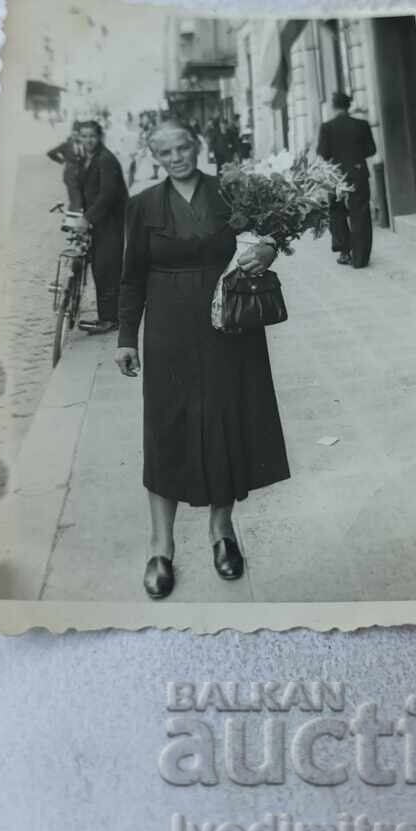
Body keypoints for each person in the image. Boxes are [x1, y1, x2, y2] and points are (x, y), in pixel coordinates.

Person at [115, 121, 289, 599]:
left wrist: (267, 251)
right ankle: (160, 546)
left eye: (184, 147)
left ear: (198, 146)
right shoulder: (143, 206)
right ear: (156, 156)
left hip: (228, 324)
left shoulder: (232, 192)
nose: (177, 157)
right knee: (167, 426)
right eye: (166, 151)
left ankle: (222, 532)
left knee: (226, 421)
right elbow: (131, 279)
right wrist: (127, 337)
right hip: (169, 331)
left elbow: (267, 235)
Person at [75, 121, 128, 334]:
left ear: (100, 137)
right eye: (84, 136)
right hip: (100, 222)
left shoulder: (106, 160)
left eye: (92, 136)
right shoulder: (89, 159)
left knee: (107, 268)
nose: (88, 140)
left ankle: (111, 319)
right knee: (100, 267)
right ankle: (106, 316)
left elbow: (108, 194)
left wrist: (88, 218)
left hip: (111, 222)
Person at [317, 91, 377, 268]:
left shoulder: (327, 127)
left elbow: (323, 153)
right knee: (360, 214)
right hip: (358, 173)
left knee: (337, 212)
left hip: (335, 176)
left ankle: (344, 252)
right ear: (348, 106)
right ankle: (360, 259)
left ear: (333, 107)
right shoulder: (362, 125)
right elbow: (371, 150)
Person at [46, 121, 84, 210]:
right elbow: (50, 153)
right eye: (75, 133)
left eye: (78, 134)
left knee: (81, 201)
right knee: (76, 200)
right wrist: (62, 161)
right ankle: (71, 221)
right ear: (72, 133)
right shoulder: (66, 145)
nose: (76, 135)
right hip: (70, 176)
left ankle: (76, 220)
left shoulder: (84, 145)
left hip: (83, 177)